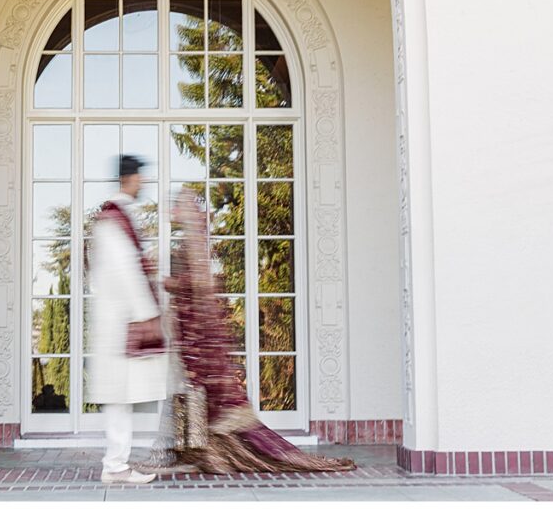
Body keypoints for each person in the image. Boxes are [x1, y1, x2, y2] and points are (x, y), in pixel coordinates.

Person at [155, 189, 356, 474]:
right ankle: (193, 453)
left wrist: (168, 284)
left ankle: (210, 457)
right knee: (189, 389)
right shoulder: (190, 241)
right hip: (190, 332)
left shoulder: (196, 243)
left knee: (198, 389)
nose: (172, 212)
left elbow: (201, 284)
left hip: (199, 332)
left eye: (177, 207)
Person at [87, 154, 168, 484]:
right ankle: (116, 466)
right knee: (120, 396)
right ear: (129, 179)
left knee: (121, 396)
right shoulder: (114, 219)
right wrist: (148, 313)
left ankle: (116, 463)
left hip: (117, 318)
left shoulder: (113, 217)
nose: (143, 183)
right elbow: (125, 271)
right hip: (119, 320)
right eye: (140, 177)